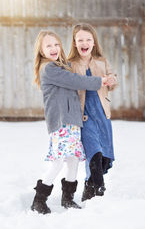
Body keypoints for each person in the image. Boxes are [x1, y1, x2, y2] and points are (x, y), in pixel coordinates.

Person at [31, 30, 108, 214]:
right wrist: (100, 81)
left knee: (73, 160)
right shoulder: (48, 69)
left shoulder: (61, 66)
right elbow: (75, 80)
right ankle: (39, 200)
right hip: (61, 122)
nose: (54, 48)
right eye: (48, 45)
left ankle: (68, 199)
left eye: (56, 44)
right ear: (41, 50)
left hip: (72, 122)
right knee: (58, 162)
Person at [68, 23, 118, 202]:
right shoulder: (70, 64)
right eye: (80, 39)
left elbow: (113, 79)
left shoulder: (101, 61)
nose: (84, 43)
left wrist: (112, 80)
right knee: (94, 153)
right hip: (85, 116)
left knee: (103, 158)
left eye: (88, 39)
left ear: (94, 43)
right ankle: (99, 188)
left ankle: (89, 189)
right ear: (74, 43)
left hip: (102, 115)